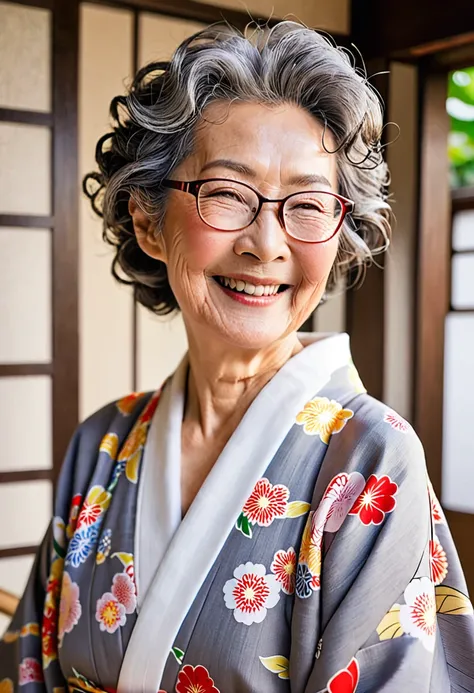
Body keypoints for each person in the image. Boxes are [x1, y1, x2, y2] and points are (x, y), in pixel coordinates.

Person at [1, 21, 473, 693]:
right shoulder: (101, 443)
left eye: (308, 204)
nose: (267, 243)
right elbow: (26, 671)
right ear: (147, 221)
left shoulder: (370, 460)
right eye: (227, 193)